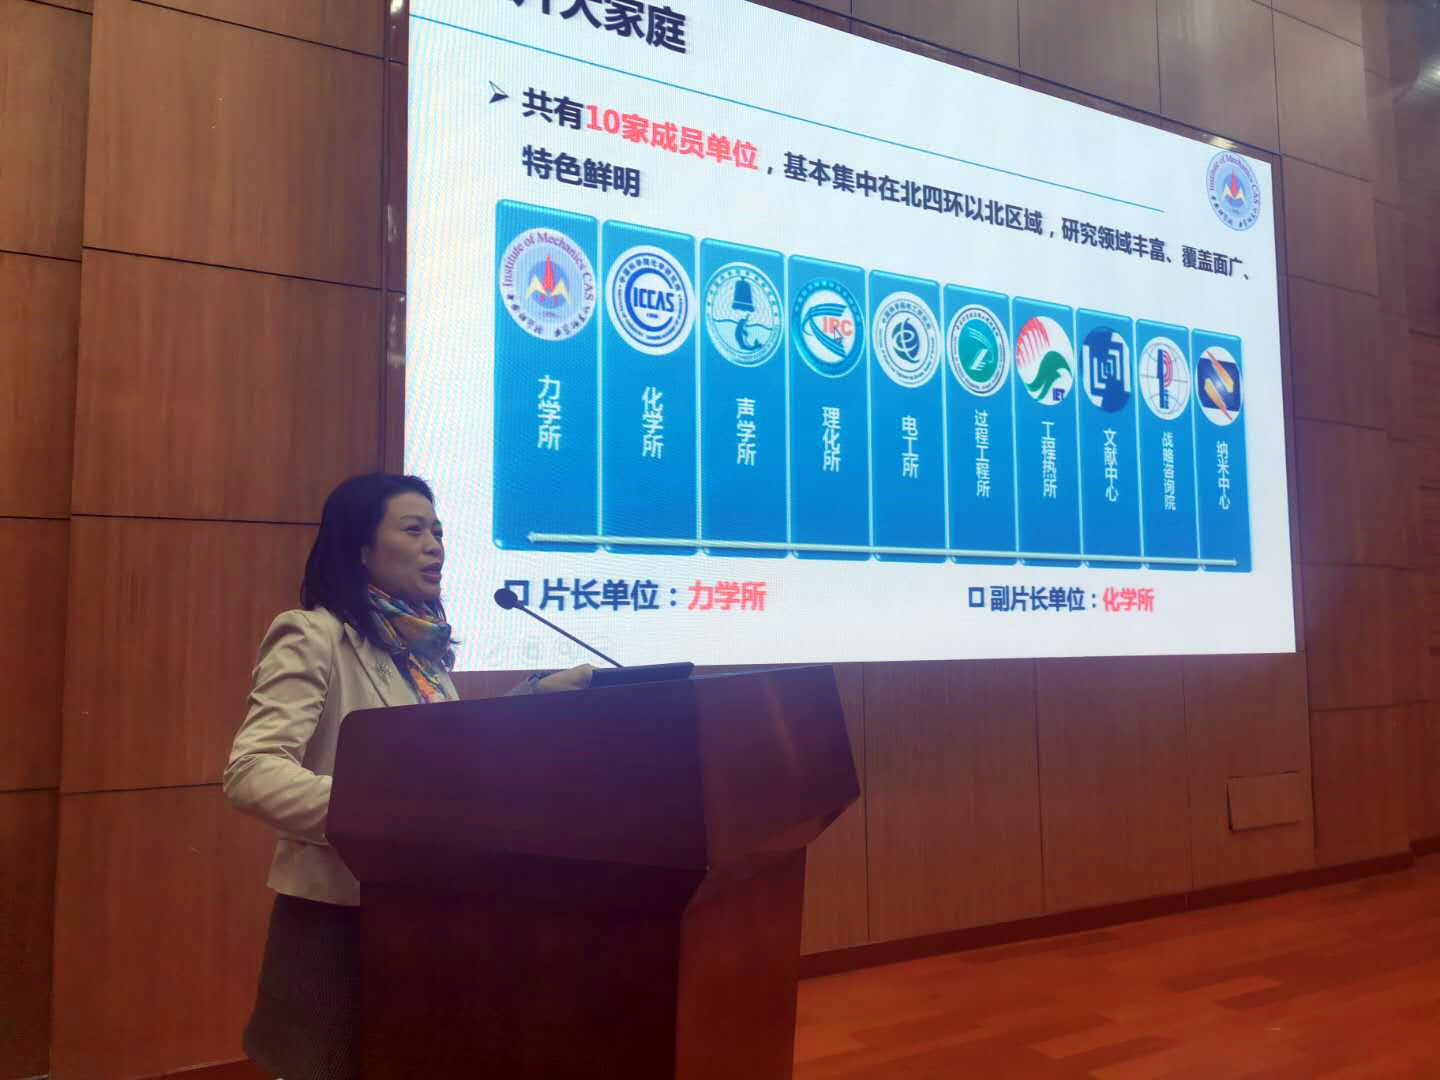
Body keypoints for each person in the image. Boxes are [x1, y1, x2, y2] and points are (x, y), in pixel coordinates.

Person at [223, 472, 591, 1080]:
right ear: (361, 547)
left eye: (438, 532)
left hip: (427, 906)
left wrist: (531, 699)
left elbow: (442, 754)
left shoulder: (420, 647)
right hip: (339, 914)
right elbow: (252, 771)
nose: (434, 547)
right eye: (414, 530)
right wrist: (380, 812)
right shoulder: (313, 635)